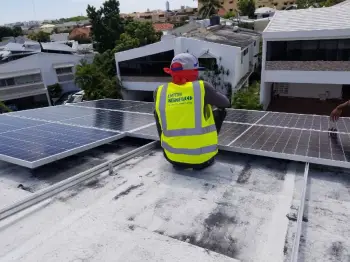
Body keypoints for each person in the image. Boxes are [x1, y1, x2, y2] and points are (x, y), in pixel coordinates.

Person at [154, 53, 231, 170]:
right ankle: (205, 152)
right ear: (193, 71)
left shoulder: (159, 91)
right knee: (220, 110)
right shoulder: (202, 87)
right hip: (201, 159)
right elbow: (225, 103)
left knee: (157, 112)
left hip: (171, 157)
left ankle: (175, 154)